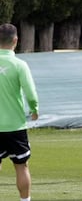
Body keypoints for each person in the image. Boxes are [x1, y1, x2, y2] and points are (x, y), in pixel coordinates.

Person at [0, 23, 39, 201]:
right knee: (21, 166)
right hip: (15, 125)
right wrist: (34, 109)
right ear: (16, 40)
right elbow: (30, 93)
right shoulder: (19, 64)